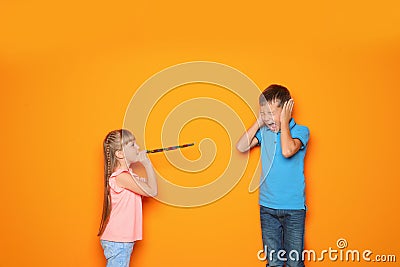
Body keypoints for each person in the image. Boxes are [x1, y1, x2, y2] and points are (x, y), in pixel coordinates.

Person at [237, 84, 310, 266]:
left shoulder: (301, 131)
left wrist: (283, 122)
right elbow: (241, 146)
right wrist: (259, 122)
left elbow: (287, 151)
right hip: (267, 208)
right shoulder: (265, 133)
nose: (268, 119)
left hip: (293, 209)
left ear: (286, 110)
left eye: (272, 113)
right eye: (264, 113)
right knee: (274, 262)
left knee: (294, 263)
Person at [98, 129, 158, 267]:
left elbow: (152, 188)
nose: (137, 147)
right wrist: (147, 165)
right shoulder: (121, 177)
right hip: (118, 240)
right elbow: (151, 191)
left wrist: (147, 164)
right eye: (132, 145)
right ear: (119, 153)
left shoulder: (129, 176)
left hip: (120, 240)